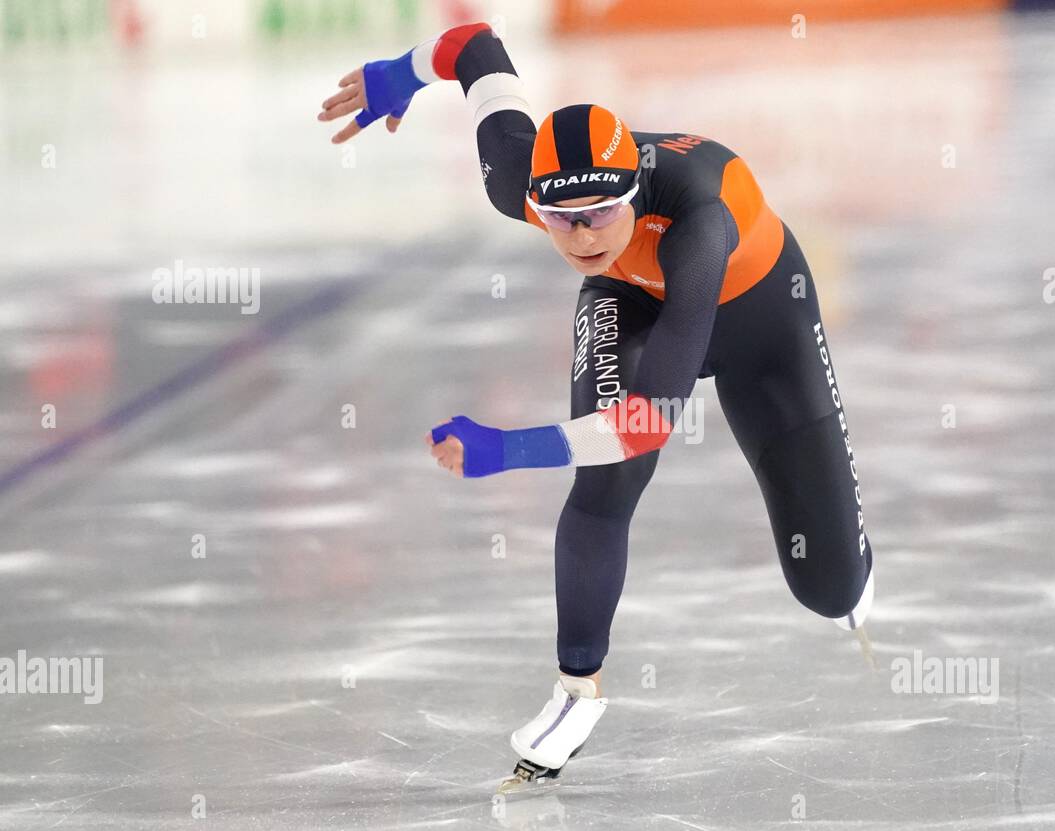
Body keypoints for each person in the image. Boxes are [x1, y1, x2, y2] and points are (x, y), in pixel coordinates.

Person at [318, 23, 875, 791]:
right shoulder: (519, 178)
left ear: (633, 195)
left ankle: (849, 560)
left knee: (830, 589)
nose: (581, 237)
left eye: (600, 214)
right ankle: (578, 690)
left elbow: (649, 419)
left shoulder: (699, 220)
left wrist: (505, 450)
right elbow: (475, 46)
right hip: (634, 297)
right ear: (533, 200)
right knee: (607, 482)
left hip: (761, 322)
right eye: (560, 218)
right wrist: (401, 73)